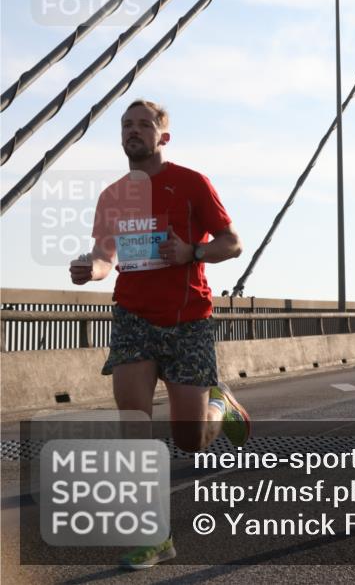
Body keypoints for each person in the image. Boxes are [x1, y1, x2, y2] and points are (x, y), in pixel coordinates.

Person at [69, 99, 248, 569]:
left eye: (144, 124)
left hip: (188, 320)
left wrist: (192, 251)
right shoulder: (112, 196)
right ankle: (154, 536)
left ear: (162, 137)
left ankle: (218, 401)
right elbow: (106, 254)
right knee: (133, 428)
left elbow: (232, 242)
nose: (134, 131)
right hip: (133, 317)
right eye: (126, 124)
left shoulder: (191, 183)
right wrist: (93, 269)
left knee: (189, 438)